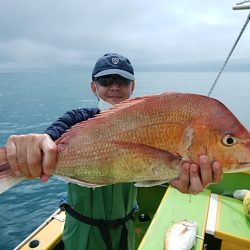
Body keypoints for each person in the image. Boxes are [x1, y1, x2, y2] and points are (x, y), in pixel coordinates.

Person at [6, 53, 223, 250]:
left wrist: (184, 179)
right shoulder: (78, 119)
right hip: (82, 231)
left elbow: (155, 169)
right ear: (94, 87)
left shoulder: (147, 121)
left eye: (122, 80)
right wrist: (33, 146)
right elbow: (49, 141)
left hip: (125, 230)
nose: (115, 86)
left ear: (133, 86)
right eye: (105, 81)